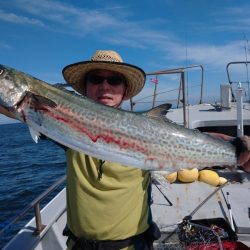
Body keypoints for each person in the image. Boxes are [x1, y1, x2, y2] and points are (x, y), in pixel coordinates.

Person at [0, 50, 250, 250]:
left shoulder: (146, 128)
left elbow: (194, 139)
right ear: (85, 87)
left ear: (125, 89)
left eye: (114, 80)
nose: (105, 86)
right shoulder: (67, 130)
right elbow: (15, 106)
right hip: (78, 246)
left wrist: (237, 151)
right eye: (95, 79)